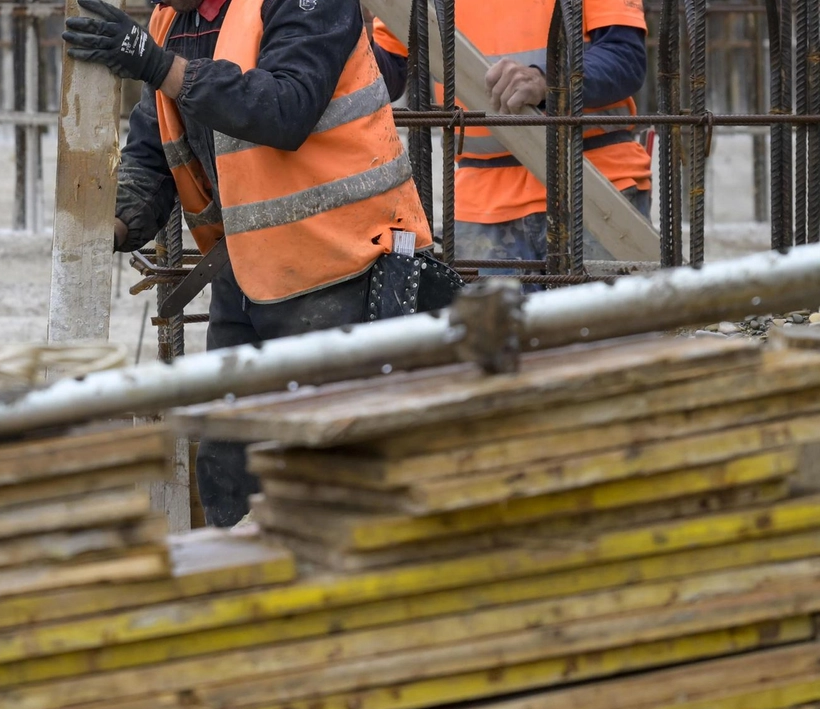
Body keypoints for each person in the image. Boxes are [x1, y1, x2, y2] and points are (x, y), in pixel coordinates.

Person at [63, 0, 460, 527]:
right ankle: (241, 589)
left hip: (343, 267)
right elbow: (155, 150)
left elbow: (285, 107)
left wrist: (159, 66)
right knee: (230, 463)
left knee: (329, 469)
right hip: (248, 273)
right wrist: (114, 225)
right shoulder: (171, 23)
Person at [370, 0, 653, 278]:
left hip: (593, 190)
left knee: (611, 324)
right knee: (494, 323)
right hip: (482, 202)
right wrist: (345, 28)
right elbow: (387, 74)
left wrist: (547, 81)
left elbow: (623, 58)